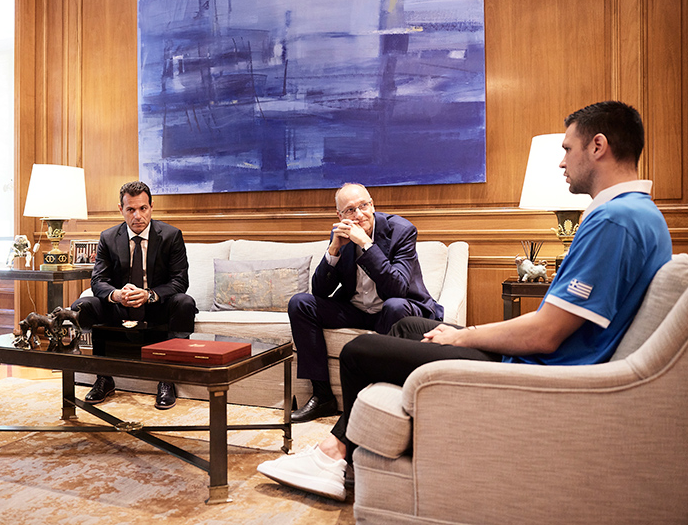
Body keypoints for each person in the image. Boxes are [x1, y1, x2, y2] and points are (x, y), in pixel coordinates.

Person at [258, 101, 673, 501]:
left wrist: (464, 335)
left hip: (539, 371)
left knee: (359, 351)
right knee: (407, 327)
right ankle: (353, 441)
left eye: (567, 149)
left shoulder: (615, 220)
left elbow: (546, 333)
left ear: (597, 146)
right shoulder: (635, 213)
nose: (562, 163)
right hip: (540, 358)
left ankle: (335, 457)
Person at [288, 183, 443, 423]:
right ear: (339, 215)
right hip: (358, 309)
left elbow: (398, 288)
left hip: (399, 310)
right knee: (301, 303)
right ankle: (322, 396)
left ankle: (384, 398)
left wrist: (366, 245)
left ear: (373, 205)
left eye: (363, 206)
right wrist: (334, 249)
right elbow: (320, 291)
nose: (359, 215)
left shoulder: (401, 230)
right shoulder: (341, 233)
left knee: (394, 306)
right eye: (350, 210)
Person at [71, 181, 196, 410]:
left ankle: (167, 379)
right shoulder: (108, 237)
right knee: (82, 305)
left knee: (184, 303)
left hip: (156, 306)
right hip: (120, 305)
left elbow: (180, 282)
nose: (137, 216)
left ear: (151, 207)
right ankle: (104, 378)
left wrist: (149, 295)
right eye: (131, 209)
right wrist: (117, 294)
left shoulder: (171, 235)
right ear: (121, 209)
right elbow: (98, 281)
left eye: (143, 208)